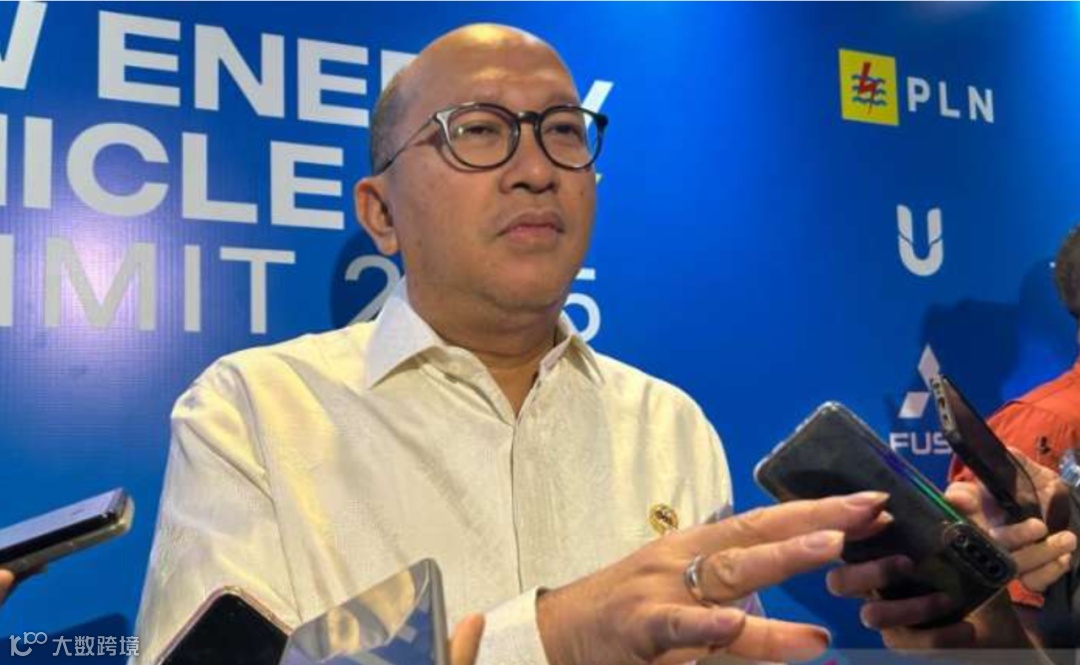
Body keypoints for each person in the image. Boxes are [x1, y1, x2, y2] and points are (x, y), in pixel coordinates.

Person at [134, 23, 892, 665]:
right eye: (478, 131)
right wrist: (549, 636)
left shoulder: (669, 423)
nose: (536, 171)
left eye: (563, 132)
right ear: (381, 213)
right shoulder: (252, 412)